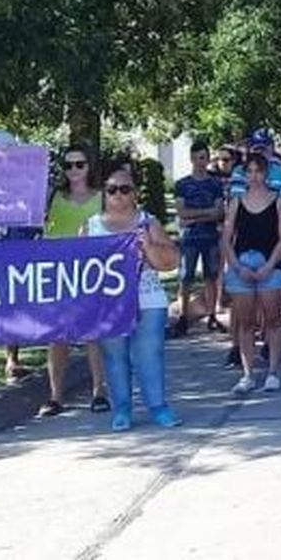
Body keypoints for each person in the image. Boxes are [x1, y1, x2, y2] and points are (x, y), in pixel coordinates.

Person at [83, 167, 181, 431]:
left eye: (124, 189)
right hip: (109, 303)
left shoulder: (148, 223)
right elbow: (79, 269)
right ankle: (122, 408)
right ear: (104, 193)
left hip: (147, 297)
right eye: (112, 189)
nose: (118, 194)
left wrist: (148, 246)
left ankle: (158, 406)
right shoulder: (91, 226)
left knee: (149, 353)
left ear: (135, 194)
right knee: (114, 355)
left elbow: (171, 261)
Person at [40, 146, 110, 417]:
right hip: (59, 273)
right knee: (58, 337)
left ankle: (99, 391)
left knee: (93, 334)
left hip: (92, 273)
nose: (74, 171)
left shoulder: (103, 197)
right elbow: (44, 229)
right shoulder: (54, 197)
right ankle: (55, 396)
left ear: (89, 167)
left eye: (79, 165)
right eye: (68, 166)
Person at [221, 154, 281, 395]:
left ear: (266, 173)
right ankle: (248, 373)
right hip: (242, 263)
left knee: (272, 319)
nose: (254, 176)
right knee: (245, 322)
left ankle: (272, 371)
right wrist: (237, 267)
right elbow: (227, 239)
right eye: (249, 171)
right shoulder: (236, 202)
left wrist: (270, 266)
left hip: (270, 265)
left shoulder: (278, 201)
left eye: (258, 171)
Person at [174, 141, 227, 336]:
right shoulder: (182, 184)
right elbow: (181, 212)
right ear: (191, 159)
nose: (200, 162)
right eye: (196, 158)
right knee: (185, 277)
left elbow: (219, 212)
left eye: (203, 158)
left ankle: (212, 315)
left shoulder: (215, 184)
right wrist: (206, 213)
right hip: (189, 237)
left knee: (211, 277)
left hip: (210, 236)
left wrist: (195, 215)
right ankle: (183, 316)